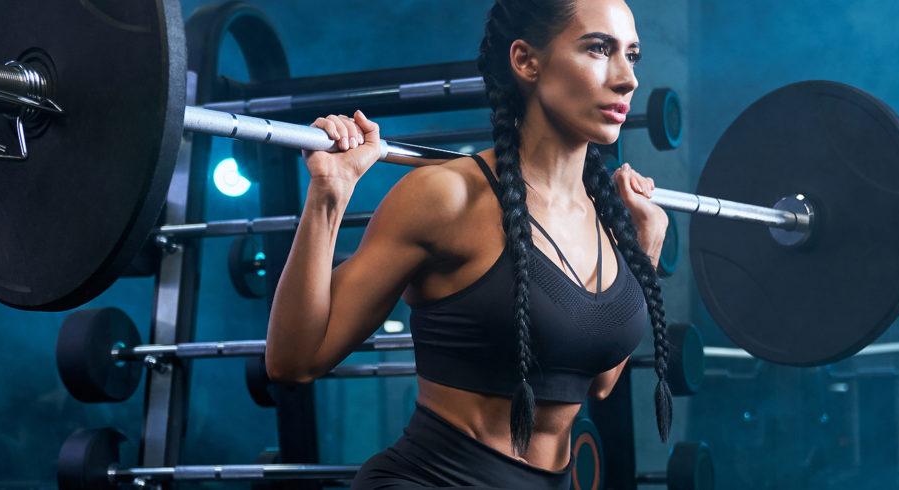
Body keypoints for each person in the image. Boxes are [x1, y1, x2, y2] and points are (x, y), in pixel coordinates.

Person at [260, 0, 673, 488]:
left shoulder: (609, 218)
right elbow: (294, 361)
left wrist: (644, 246)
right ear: (525, 61)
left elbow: (600, 381)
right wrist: (327, 198)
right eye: (599, 49)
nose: (627, 78)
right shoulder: (447, 197)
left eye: (633, 54)